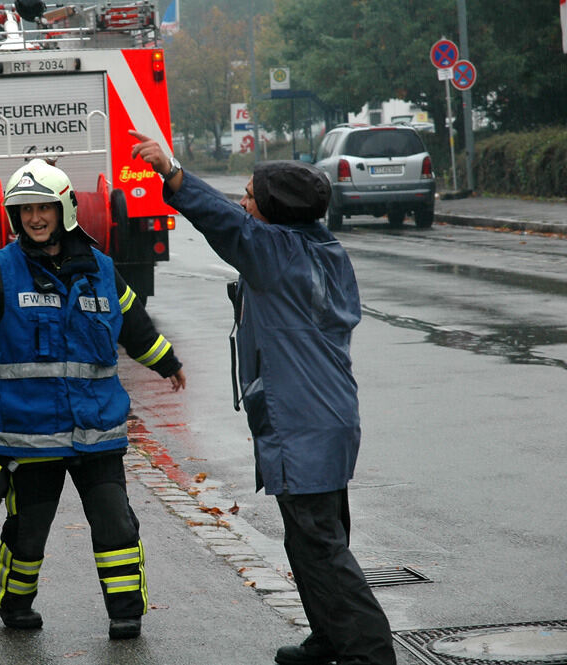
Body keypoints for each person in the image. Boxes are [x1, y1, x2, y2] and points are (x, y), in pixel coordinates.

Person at [129, 130, 396, 665]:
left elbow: (224, 224)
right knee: (311, 541)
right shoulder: (323, 249)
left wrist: (172, 170)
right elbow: (240, 226)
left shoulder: (274, 253)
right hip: (327, 417)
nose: (242, 203)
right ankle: (329, 638)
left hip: (302, 423)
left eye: (251, 194)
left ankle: (370, 654)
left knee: (320, 545)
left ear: (274, 210)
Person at [0, 158, 186, 640]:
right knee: (26, 535)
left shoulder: (102, 270)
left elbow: (134, 326)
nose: (34, 218)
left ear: (63, 209)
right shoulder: (1, 270)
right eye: (24, 210)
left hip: (98, 432)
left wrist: (167, 363)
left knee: (116, 528)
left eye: (42, 208)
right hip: (30, 438)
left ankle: (125, 611)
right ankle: (14, 604)